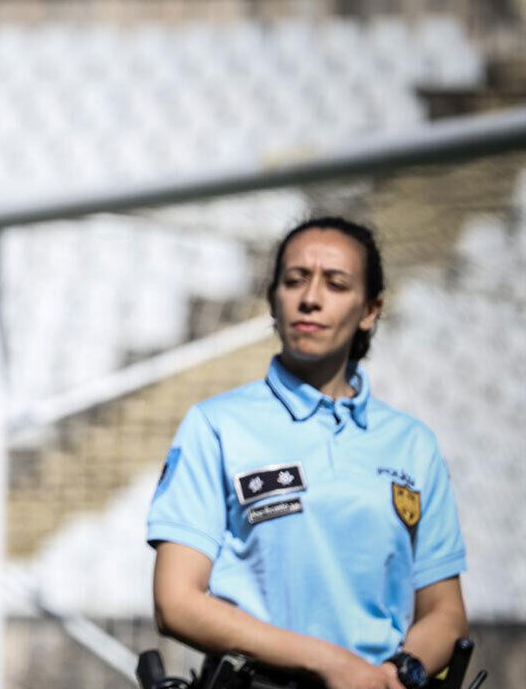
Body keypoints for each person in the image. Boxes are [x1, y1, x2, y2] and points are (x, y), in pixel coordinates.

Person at [146, 217, 469, 689]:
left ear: (370, 310)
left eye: (336, 284)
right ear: (273, 300)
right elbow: (175, 603)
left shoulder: (413, 444)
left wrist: (394, 673)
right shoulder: (216, 424)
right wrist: (328, 663)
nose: (310, 297)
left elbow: (445, 610)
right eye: (294, 280)